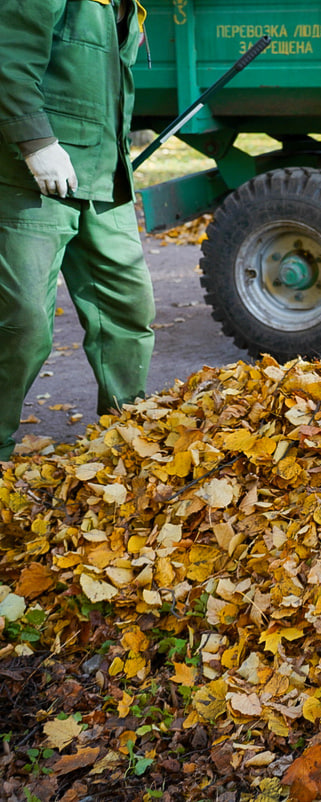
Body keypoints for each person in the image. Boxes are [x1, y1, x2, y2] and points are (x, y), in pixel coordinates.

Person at [0, 0, 156, 461]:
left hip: (104, 177)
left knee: (128, 311)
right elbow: (9, 59)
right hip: (36, 178)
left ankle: (127, 438)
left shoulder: (124, 6)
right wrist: (38, 143)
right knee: (23, 325)